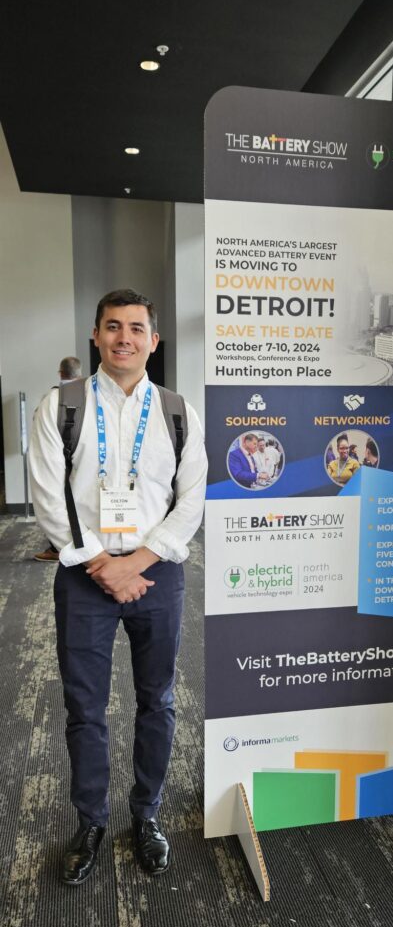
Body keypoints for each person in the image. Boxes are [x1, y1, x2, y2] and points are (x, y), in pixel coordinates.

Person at [28, 289, 207, 885]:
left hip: (159, 574)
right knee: (85, 708)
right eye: (112, 327)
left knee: (158, 700)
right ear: (97, 338)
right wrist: (104, 563)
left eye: (136, 327)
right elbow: (49, 500)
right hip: (85, 579)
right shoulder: (62, 406)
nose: (124, 337)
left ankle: (147, 814)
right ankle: (91, 821)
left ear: (154, 340)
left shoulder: (179, 411)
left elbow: (192, 501)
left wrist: (140, 561)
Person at [33, 356, 83, 562]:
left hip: (57, 459)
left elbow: (39, 428)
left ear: (60, 373)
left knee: (57, 502)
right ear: (79, 373)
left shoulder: (51, 398)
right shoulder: (90, 396)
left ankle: (58, 548)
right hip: (83, 459)